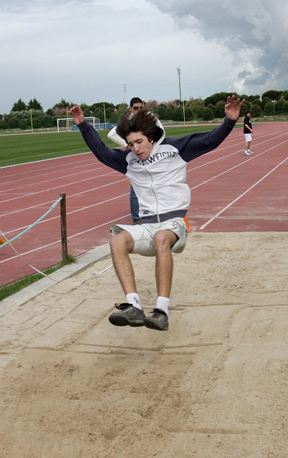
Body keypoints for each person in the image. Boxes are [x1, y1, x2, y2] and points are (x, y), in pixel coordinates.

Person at [70, 96, 244, 331]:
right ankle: (133, 306)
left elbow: (209, 141)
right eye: (130, 144)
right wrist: (82, 124)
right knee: (117, 240)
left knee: (161, 237)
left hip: (174, 224)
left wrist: (229, 121)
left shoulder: (176, 149)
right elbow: (101, 152)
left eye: (139, 142)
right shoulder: (128, 161)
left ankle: (161, 310)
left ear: (151, 138)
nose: (136, 148)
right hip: (147, 224)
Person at [108, 97, 164, 224]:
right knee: (135, 187)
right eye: (135, 108)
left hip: (152, 154)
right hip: (136, 157)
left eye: (141, 107)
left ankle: (157, 211)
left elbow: (161, 131)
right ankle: (137, 218)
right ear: (131, 109)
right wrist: (130, 145)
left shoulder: (150, 117)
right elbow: (111, 134)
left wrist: (155, 148)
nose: (138, 110)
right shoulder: (129, 120)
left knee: (156, 182)